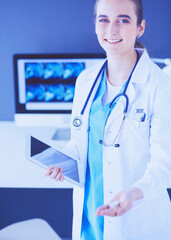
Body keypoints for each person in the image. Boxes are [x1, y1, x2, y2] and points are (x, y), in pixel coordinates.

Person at [44, 0, 171, 239]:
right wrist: (63, 161)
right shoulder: (85, 80)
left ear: (140, 27)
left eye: (123, 20)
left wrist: (133, 193)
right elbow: (79, 145)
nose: (111, 30)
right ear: (95, 25)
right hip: (90, 219)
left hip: (136, 221)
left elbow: (165, 164)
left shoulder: (161, 86)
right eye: (104, 20)